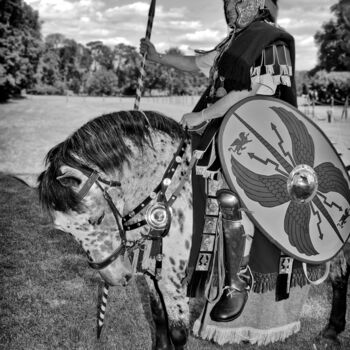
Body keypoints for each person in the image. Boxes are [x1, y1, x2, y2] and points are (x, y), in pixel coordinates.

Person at [140, 0, 324, 344]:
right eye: (227, 1)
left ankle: (237, 282)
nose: (230, 7)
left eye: (239, 1)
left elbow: (251, 92)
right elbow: (197, 63)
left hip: (263, 135)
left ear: (258, 3)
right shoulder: (232, 42)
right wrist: (158, 57)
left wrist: (205, 114)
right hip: (224, 130)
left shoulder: (273, 39)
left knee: (230, 194)